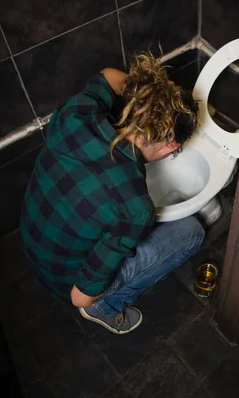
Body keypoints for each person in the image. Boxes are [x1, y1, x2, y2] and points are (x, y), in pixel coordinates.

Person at [19, 54, 205, 335]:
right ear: (169, 147)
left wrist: (153, 91)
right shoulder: (135, 207)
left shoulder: (77, 113)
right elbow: (79, 296)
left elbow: (107, 74)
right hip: (68, 284)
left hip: (34, 246)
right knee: (192, 231)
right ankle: (106, 307)